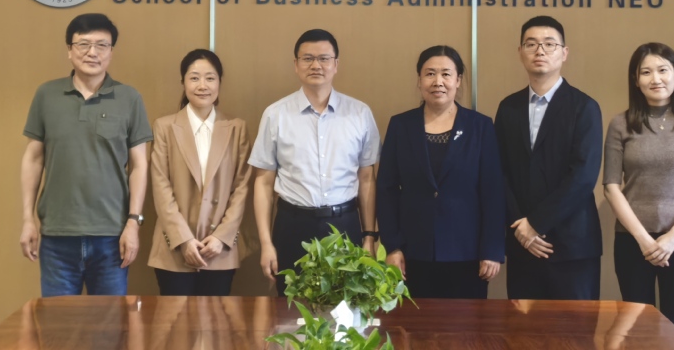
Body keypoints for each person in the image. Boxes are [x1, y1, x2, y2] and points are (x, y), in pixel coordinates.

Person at [19, 13, 152, 296]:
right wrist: (28, 219)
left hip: (111, 236)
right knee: (57, 320)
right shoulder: (46, 95)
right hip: (57, 235)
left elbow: (140, 165)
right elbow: (33, 159)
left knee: (109, 321)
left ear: (111, 52)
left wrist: (133, 222)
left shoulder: (129, 98)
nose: (93, 52)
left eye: (102, 45)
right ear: (69, 50)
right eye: (83, 44)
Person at [248, 29, 381, 295]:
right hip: (292, 225)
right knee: (290, 310)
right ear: (296, 64)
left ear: (336, 64)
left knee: (345, 309)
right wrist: (266, 243)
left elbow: (367, 179)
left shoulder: (360, 113)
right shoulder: (275, 115)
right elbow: (263, 183)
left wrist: (369, 236)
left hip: (344, 226)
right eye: (307, 58)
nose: (316, 65)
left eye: (324, 58)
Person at [376, 45, 505, 299]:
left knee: (466, 323)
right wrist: (392, 246)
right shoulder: (401, 125)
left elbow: (493, 192)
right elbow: (387, 189)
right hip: (412, 253)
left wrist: (492, 249)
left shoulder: (480, 126)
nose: (438, 82)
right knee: (414, 322)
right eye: (430, 74)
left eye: (446, 74)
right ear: (419, 80)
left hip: (468, 253)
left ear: (458, 80)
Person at [603, 43, 674, 338]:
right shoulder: (620, 124)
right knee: (635, 328)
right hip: (632, 240)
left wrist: (673, 237)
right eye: (646, 72)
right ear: (635, 80)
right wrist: (644, 240)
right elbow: (611, 187)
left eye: (663, 70)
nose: (656, 79)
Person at [494, 15, 603, 300]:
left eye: (549, 44)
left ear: (564, 53)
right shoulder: (508, 108)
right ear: (520, 52)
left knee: (575, 328)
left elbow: (583, 176)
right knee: (522, 326)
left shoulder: (584, 107)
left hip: (572, 246)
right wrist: (520, 225)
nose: (540, 51)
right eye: (531, 44)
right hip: (521, 243)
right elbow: (499, 172)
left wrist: (536, 224)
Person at [148, 49, 253, 296]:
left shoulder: (236, 128)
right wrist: (183, 240)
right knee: (174, 319)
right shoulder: (164, 126)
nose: (202, 85)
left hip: (220, 251)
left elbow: (242, 187)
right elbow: (161, 186)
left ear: (219, 83)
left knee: (216, 319)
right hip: (174, 249)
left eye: (210, 78)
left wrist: (221, 238)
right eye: (194, 78)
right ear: (183, 82)